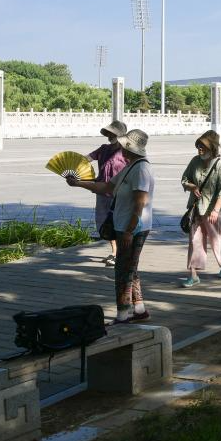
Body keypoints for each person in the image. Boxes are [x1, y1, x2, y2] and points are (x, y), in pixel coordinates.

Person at [67, 129, 155, 323]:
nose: (121, 148)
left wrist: (130, 230)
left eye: (124, 145)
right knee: (131, 268)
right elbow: (106, 186)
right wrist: (79, 183)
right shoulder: (131, 166)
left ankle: (123, 314)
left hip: (133, 228)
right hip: (126, 225)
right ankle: (139, 310)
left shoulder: (140, 169)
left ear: (130, 148)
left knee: (123, 271)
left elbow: (140, 203)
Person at [180, 130, 221, 287]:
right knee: (195, 241)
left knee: (217, 239)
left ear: (212, 148)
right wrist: (191, 186)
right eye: (198, 146)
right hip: (196, 209)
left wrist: (215, 210)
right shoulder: (194, 161)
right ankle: (193, 273)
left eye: (203, 146)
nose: (200, 149)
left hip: (212, 210)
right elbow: (184, 179)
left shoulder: (220, 165)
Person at [87, 120, 128, 266]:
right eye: (109, 133)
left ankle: (119, 253)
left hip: (119, 193)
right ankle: (114, 251)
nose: (110, 136)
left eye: (113, 133)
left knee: (119, 222)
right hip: (102, 191)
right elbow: (87, 158)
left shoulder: (126, 151)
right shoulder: (103, 149)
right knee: (105, 222)